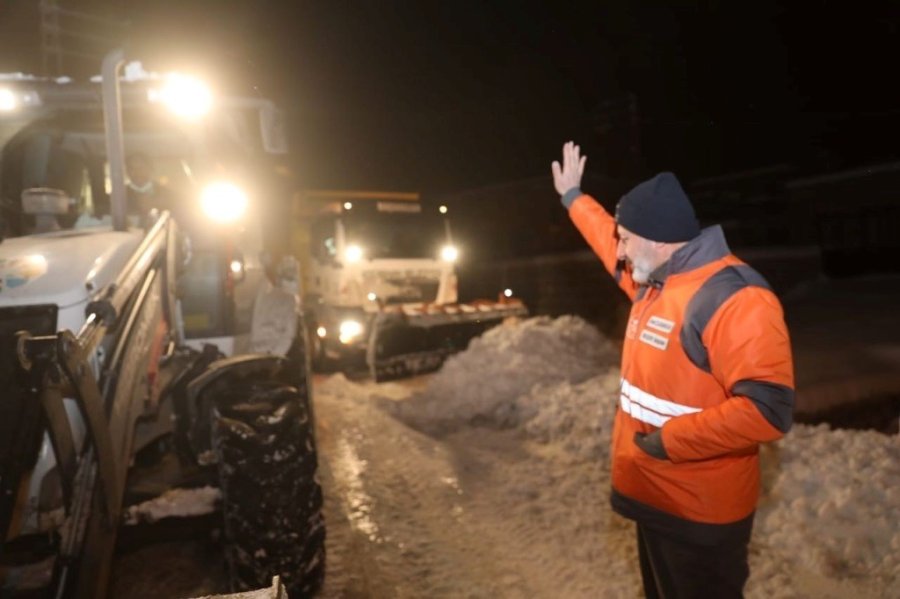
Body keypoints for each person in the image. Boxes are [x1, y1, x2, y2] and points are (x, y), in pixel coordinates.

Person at [551, 141, 794, 598]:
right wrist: (573, 198)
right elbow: (606, 239)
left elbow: (767, 410)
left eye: (626, 237)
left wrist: (666, 443)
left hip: (699, 513)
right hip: (655, 494)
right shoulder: (655, 281)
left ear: (656, 238)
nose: (618, 248)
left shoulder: (734, 298)